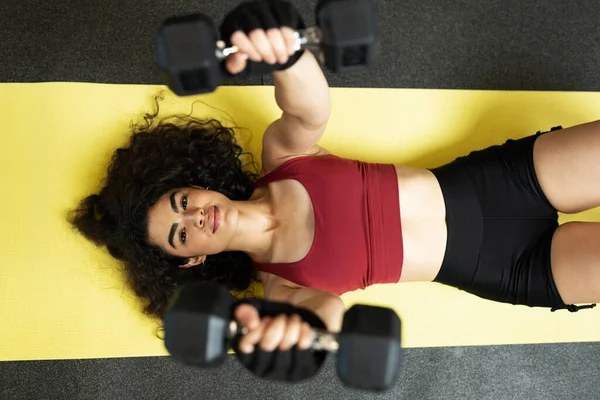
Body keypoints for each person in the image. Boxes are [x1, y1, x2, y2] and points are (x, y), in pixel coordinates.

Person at [70, 1, 599, 363]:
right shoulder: (282, 284)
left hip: (500, 183)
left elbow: (309, 107)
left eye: (182, 203)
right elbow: (328, 315)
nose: (195, 217)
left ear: (196, 186)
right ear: (191, 260)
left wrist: (286, 54)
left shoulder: (281, 159)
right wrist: (295, 333)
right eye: (181, 234)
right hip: (507, 267)